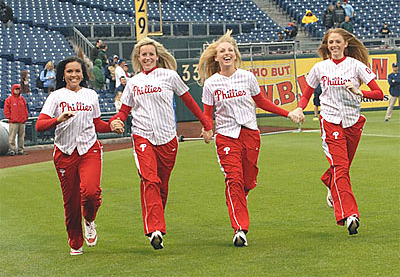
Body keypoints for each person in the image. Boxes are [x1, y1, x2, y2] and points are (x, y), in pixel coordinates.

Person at [198, 30, 302, 247]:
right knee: (233, 179)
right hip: (226, 137)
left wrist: (288, 113)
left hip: (250, 134)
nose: (226, 54)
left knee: (247, 181)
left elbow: (262, 102)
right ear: (216, 58)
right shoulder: (211, 84)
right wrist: (208, 129)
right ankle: (240, 228)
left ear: (235, 55)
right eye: (222, 51)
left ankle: (236, 199)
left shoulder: (247, 77)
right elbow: (208, 113)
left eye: (230, 50)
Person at [108, 37, 213, 250]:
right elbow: (124, 111)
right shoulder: (133, 82)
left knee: (162, 186)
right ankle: (155, 229)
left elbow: (190, 102)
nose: (147, 58)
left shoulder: (170, 76)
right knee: (150, 180)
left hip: (168, 138)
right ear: (138, 58)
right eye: (143, 55)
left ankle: (156, 220)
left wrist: (206, 123)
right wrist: (116, 121)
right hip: (142, 136)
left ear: (157, 56)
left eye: (150, 54)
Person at [292, 28, 384, 236]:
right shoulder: (319, 68)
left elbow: (378, 93)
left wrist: (358, 91)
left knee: (341, 168)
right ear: (326, 46)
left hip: (352, 122)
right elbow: (307, 93)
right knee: (341, 167)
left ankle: (329, 180)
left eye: (337, 42)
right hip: (331, 120)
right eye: (330, 42)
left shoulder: (356, 66)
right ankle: (350, 215)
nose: (333, 45)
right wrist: (300, 107)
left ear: (345, 44)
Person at [35, 56, 123, 256]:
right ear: (63, 75)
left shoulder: (91, 95)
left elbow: (96, 123)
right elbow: (40, 125)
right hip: (65, 152)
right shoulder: (56, 96)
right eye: (69, 71)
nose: (74, 75)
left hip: (89, 149)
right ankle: (75, 242)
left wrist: (111, 125)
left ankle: (90, 220)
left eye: (77, 71)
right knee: (71, 200)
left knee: (91, 192)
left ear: (83, 74)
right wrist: (58, 119)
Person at [3, 84, 28, 156]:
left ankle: (21, 150)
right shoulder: (9, 99)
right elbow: (6, 110)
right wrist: (10, 117)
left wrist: (25, 117)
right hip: (13, 122)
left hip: (22, 121)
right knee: (12, 137)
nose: (17, 90)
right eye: (16, 89)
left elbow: (25, 109)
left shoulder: (22, 99)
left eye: (18, 89)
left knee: (21, 137)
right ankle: (12, 150)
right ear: (13, 90)